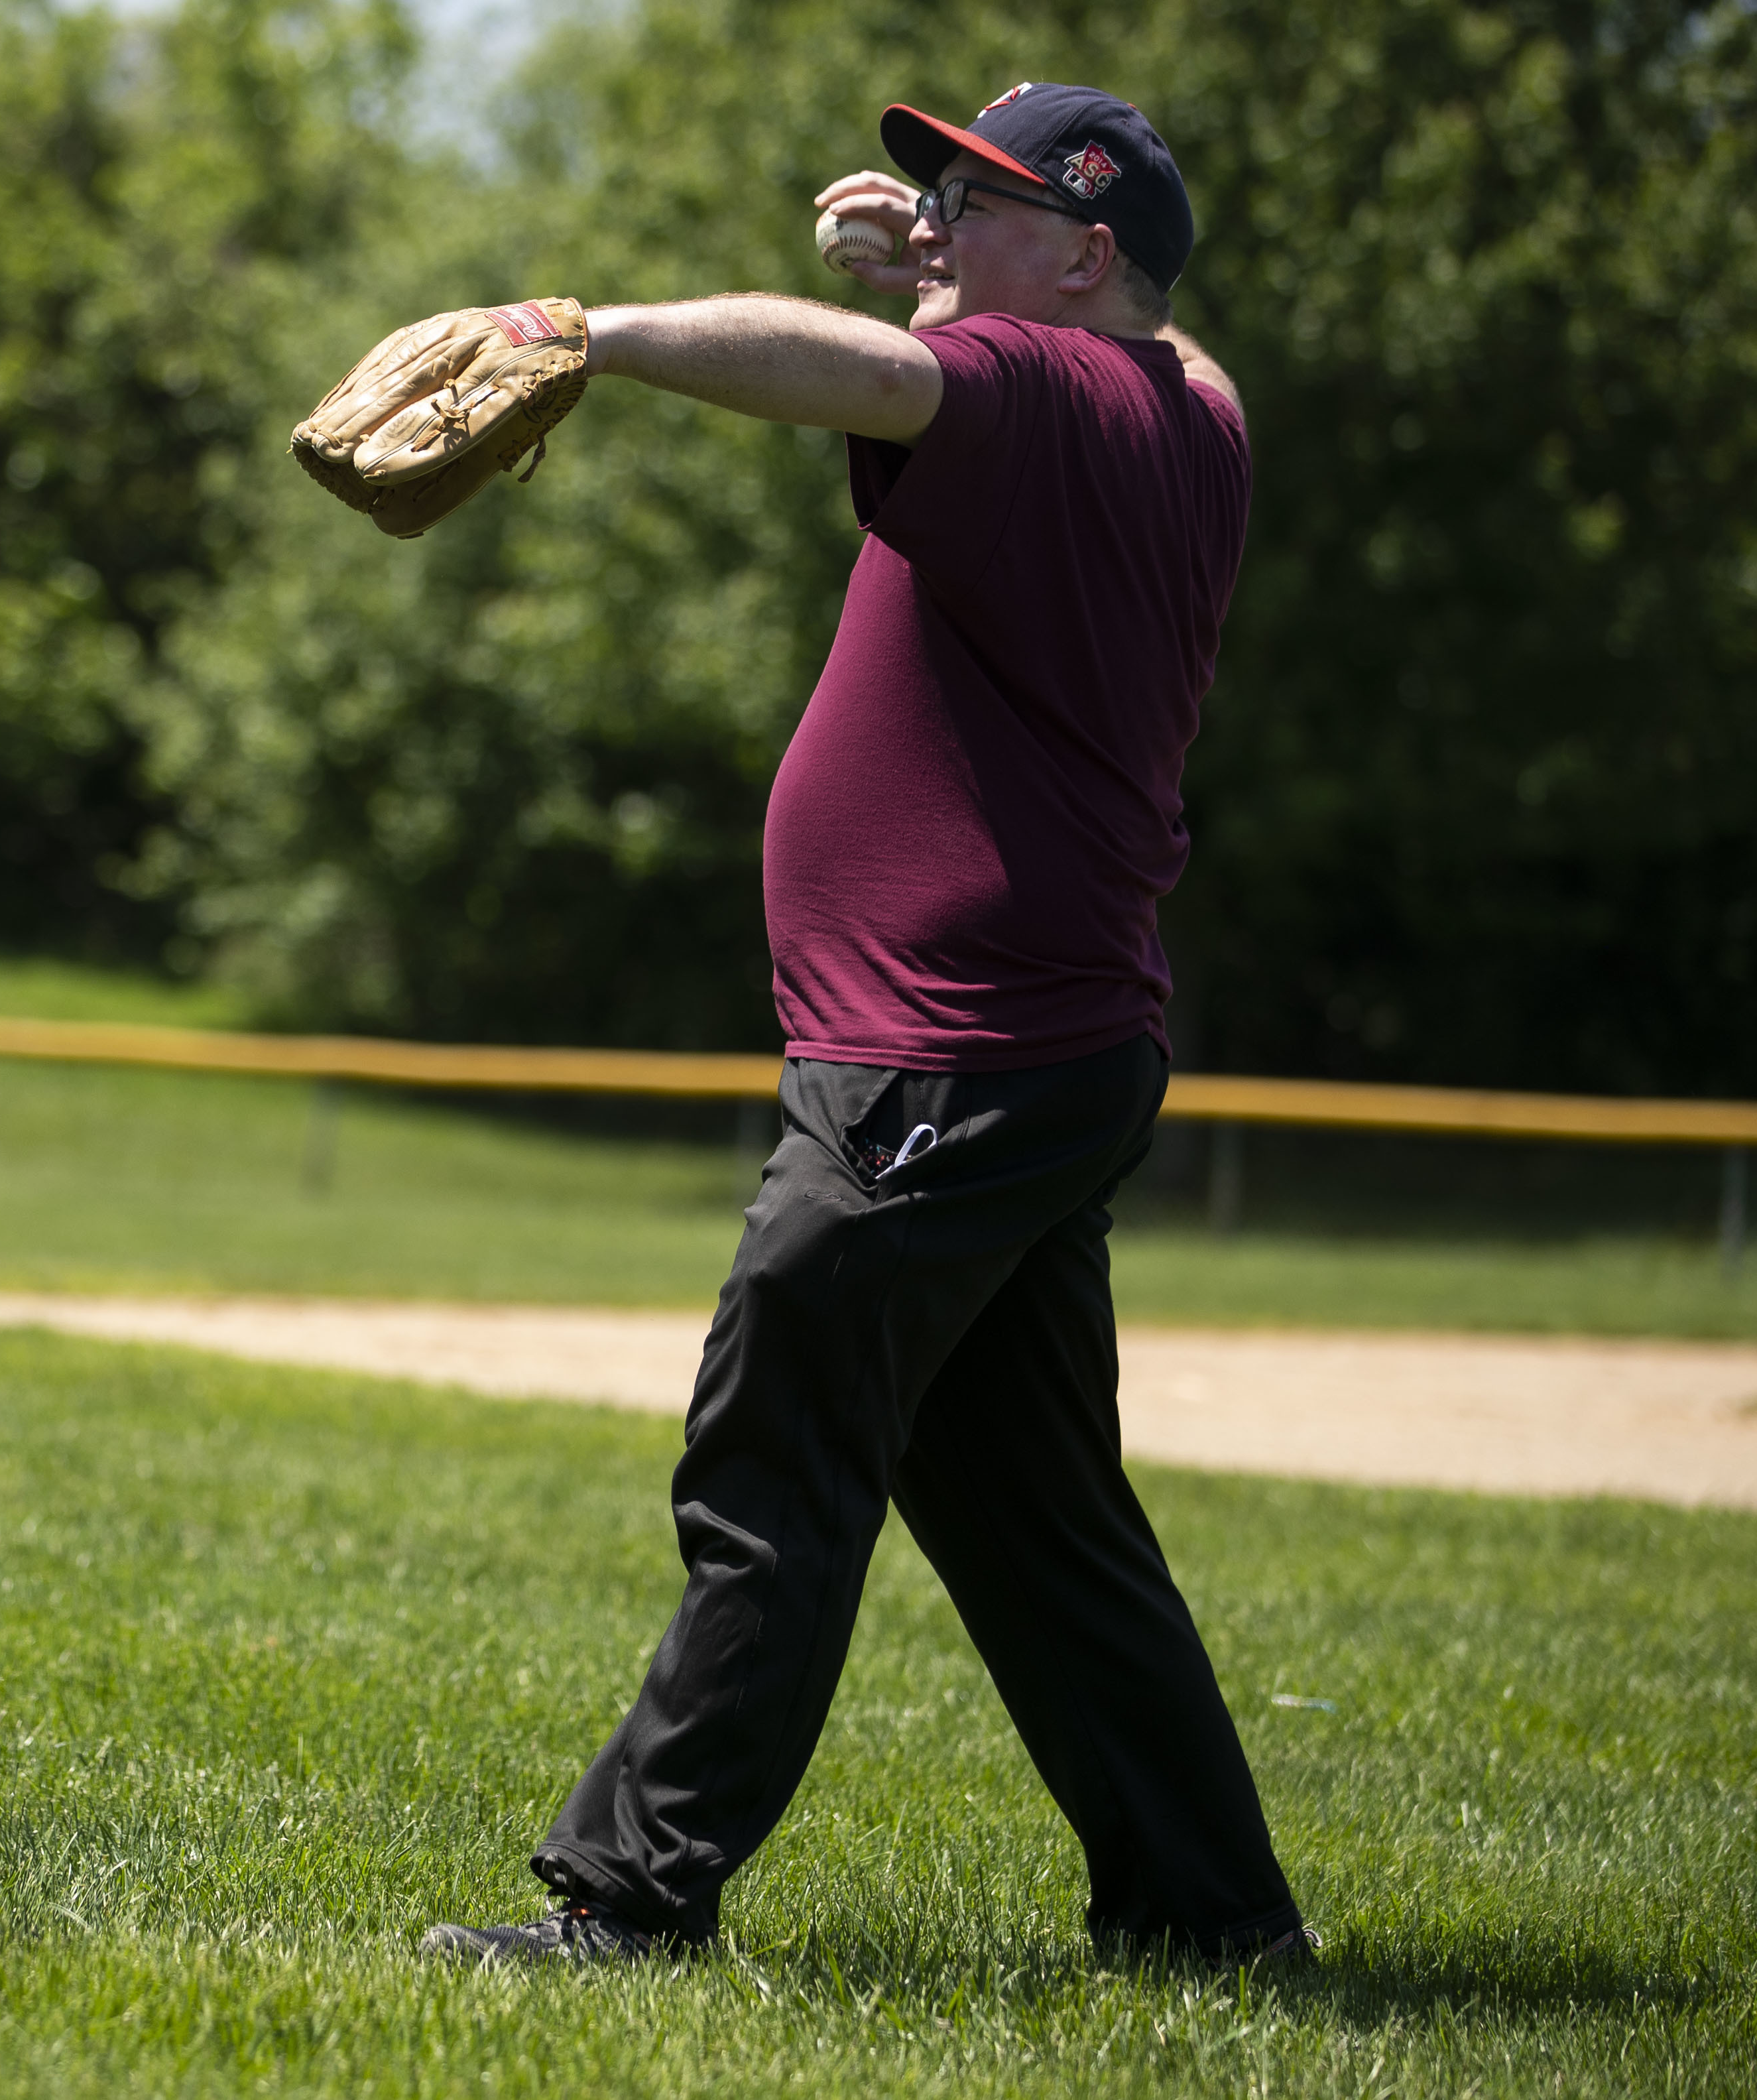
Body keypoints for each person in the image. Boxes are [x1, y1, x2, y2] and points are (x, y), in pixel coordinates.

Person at [422, 84, 1311, 1965]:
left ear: (1083, 262)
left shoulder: (1042, 391)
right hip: (1034, 1050)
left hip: (942, 1061)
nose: (928, 216)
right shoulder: (1187, 414)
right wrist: (952, 269)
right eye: (929, 183)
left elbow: (849, 376)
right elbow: (1109, 335)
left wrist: (575, 333)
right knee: (1039, 1531)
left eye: (976, 199)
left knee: (774, 1460)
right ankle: (1209, 1923)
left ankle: (626, 1906)